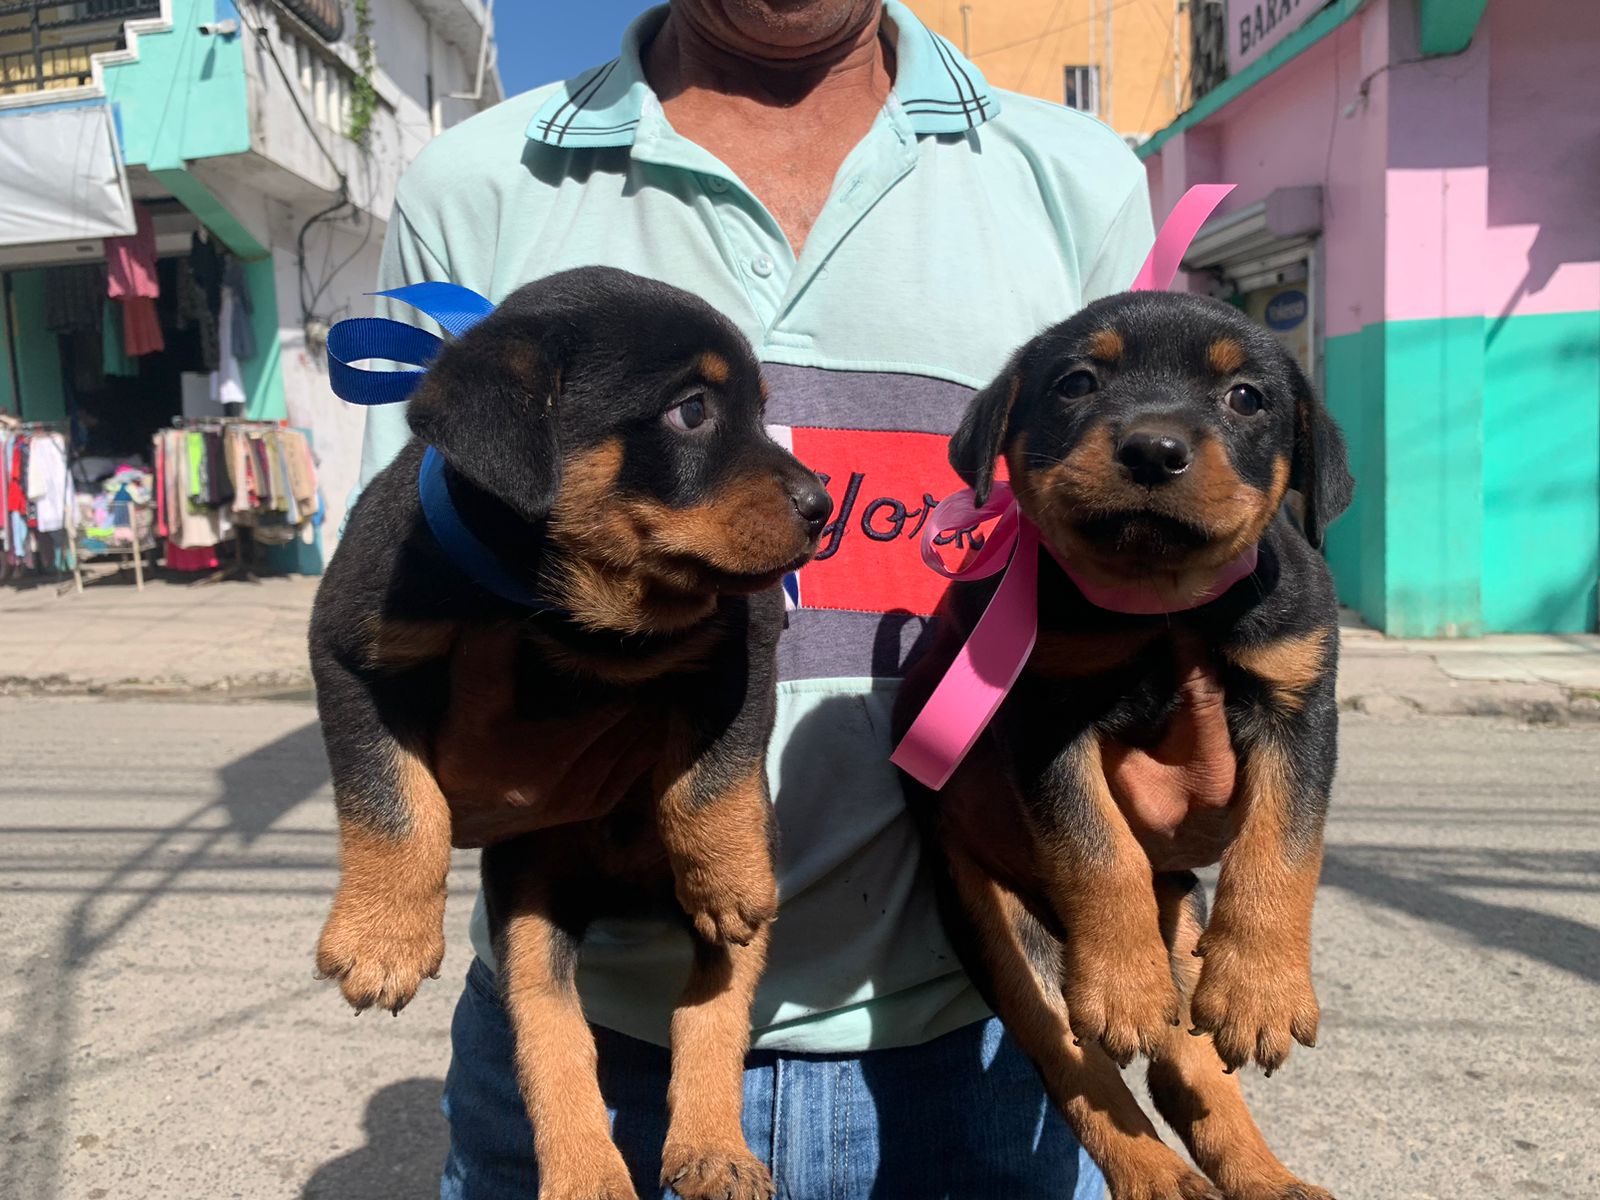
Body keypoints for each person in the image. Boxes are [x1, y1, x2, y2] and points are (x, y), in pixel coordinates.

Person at [357, 3, 1239, 1196]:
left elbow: (1140, 598)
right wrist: (455, 786)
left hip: (988, 1037)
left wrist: (1190, 780)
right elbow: (404, 605)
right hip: (593, 1042)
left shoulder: (1075, 180)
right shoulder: (477, 185)